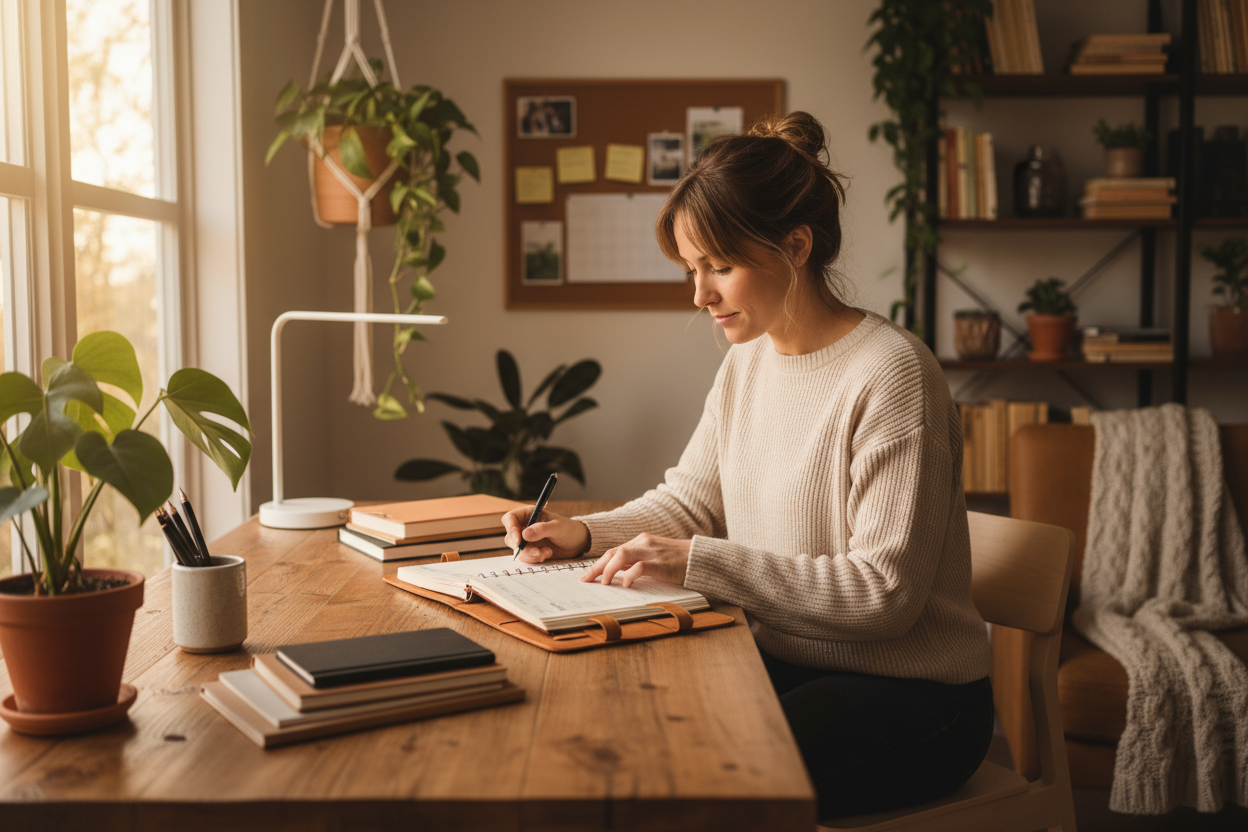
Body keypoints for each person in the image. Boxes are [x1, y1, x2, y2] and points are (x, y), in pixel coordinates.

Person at [501, 111, 994, 820]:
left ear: (795, 246)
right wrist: (582, 533)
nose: (698, 296)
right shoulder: (747, 362)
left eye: (718, 268)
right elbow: (690, 503)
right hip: (786, 661)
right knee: (622, 729)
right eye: (692, 270)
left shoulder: (892, 376)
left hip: (918, 697)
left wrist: (702, 564)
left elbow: (886, 594)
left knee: (708, 780)